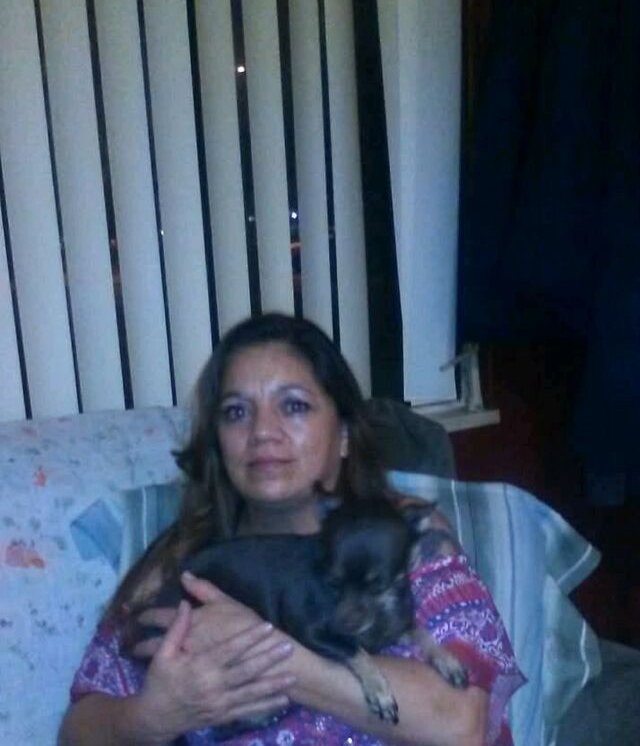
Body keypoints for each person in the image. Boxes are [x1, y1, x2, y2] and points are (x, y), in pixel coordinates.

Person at [59, 313, 524, 746]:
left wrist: (269, 654)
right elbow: (78, 731)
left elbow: (462, 725)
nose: (263, 431)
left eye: (294, 406)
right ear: (218, 442)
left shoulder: (404, 536)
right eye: (236, 412)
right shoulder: (187, 558)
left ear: (344, 433)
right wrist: (153, 717)